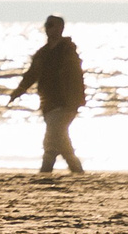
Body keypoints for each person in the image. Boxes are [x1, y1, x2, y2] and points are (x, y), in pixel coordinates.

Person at [8, 15, 86, 174]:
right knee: (61, 139)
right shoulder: (42, 53)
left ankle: (45, 171)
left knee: (52, 138)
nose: (48, 28)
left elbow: (76, 76)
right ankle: (77, 171)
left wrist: (76, 100)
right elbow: (31, 75)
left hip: (66, 103)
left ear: (60, 28)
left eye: (51, 25)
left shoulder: (68, 50)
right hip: (48, 103)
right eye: (47, 25)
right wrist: (18, 91)